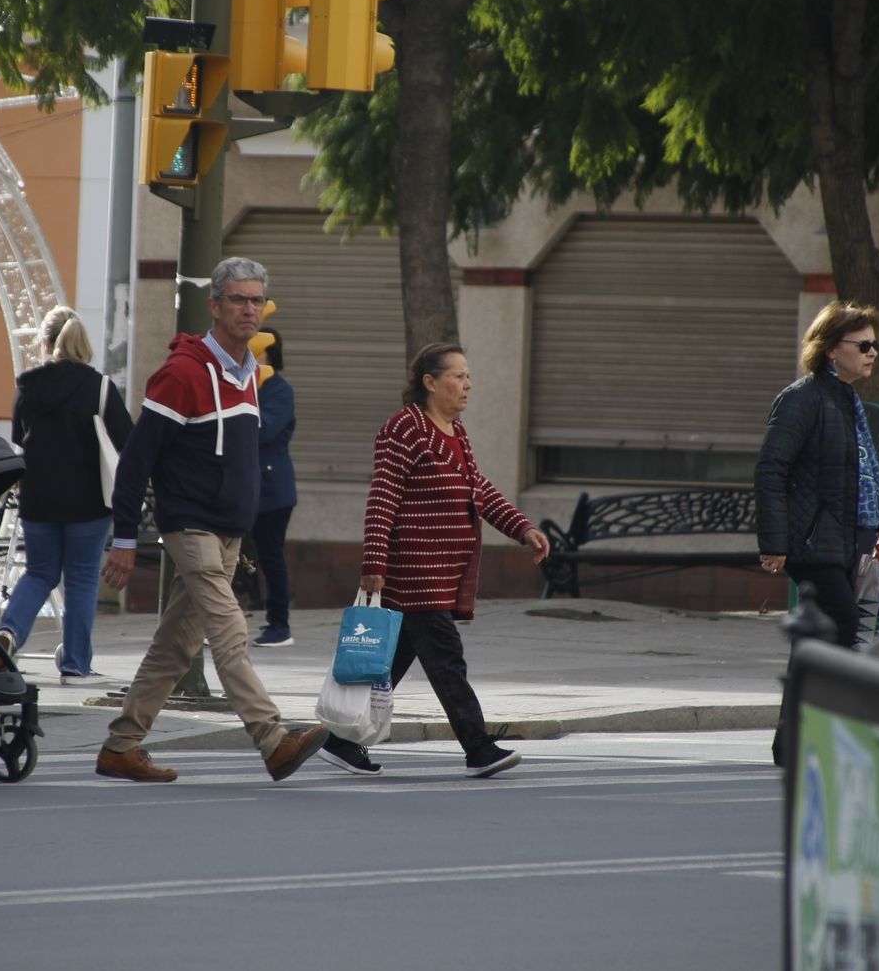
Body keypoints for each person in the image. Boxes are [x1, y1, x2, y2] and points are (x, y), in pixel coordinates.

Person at [97, 257, 326, 783]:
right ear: (216, 305)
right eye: (239, 300)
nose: (249, 310)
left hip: (228, 533)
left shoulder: (249, 373)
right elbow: (136, 461)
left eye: (256, 301)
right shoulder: (182, 373)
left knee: (174, 646)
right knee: (230, 631)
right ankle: (272, 739)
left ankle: (120, 747)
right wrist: (125, 538)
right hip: (190, 526)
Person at [317, 343, 550, 779]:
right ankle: (478, 747)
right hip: (414, 568)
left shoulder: (454, 431)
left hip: (444, 569)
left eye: (468, 376)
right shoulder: (405, 428)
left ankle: (342, 743)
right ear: (429, 382)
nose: (468, 384)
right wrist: (374, 563)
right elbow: (382, 499)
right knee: (446, 657)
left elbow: (476, 488)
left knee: (393, 659)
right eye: (458, 376)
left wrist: (521, 527)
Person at [0, 307, 132, 681]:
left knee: (39, 573)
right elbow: (127, 442)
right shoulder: (99, 387)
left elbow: (18, 440)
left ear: (47, 342)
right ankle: (74, 662)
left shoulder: (27, 387)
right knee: (82, 579)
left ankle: (8, 633)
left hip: (38, 499)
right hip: (89, 502)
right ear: (83, 341)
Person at [755, 301, 879, 650]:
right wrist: (774, 543)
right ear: (832, 349)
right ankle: (818, 700)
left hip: (839, 542)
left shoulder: (845, 401)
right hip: (810, 542)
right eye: (863, 346)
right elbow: (771, 468)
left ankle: (802, 702)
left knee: (819, 634)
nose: (872, 353)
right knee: (840, 622)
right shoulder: (802, 400)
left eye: (875, 345)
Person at [250, 326, 297, 647]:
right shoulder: (241, 384)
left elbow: (263, 430)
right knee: (232, 556)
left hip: (272, 490)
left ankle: (279, 624)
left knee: (270, 556)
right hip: (240, 487)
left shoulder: (279, 390)